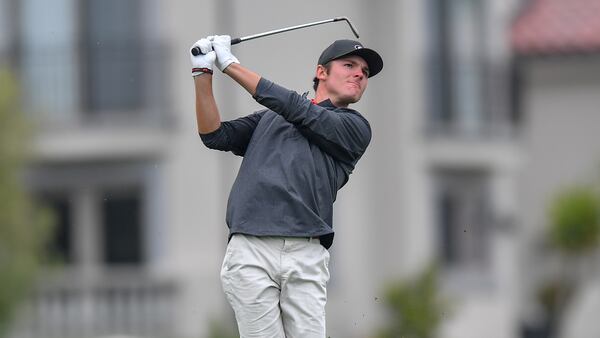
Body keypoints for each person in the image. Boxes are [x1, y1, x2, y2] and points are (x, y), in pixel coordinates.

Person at [190, 35, 383, 338]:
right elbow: (214, 135)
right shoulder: (270, 119)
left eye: (365, 72)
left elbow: (299, 109)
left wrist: (230, 65)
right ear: (322, 72)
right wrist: (203, 74)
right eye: (349, 65)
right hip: (251, 250)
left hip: (305, 255)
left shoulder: (355, 128)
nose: (360, 73)